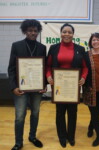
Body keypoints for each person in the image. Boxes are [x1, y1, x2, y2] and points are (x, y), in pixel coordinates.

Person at [46, 23, 88, 148]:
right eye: (64, 32)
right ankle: (62, 137)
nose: (67, 34)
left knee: (72, 112)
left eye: (69, 32)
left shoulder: (80, 49)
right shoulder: (53, 48)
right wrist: (48, 76)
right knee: (60, 113)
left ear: (73, 34)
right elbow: (48, 66)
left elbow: (85, 67)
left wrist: (83, 77)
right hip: (58, 87)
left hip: (73, 88)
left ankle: (71, 136)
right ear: (61, 33)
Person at [8, 19, 46, 150]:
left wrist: (44, 85)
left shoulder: (42, 47)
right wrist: (14, 87)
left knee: (35, 113)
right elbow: (11, 68)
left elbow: (44, 68)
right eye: (30, 30)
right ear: (25, 31)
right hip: (21, 87)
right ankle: (18, 142)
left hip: (36, 87)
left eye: (35, 31)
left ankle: (32, 136)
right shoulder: (16, 45)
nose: (33, 33)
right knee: (19, 116)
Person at [82, 33, 99, 146]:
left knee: (96, 112)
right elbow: (82, 69)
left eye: (98, 40)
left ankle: (90, 127)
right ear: (90, 42)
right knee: (93, 113)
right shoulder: (85, 55)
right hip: (90, 89)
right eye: (93, 40)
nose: (96, 42)